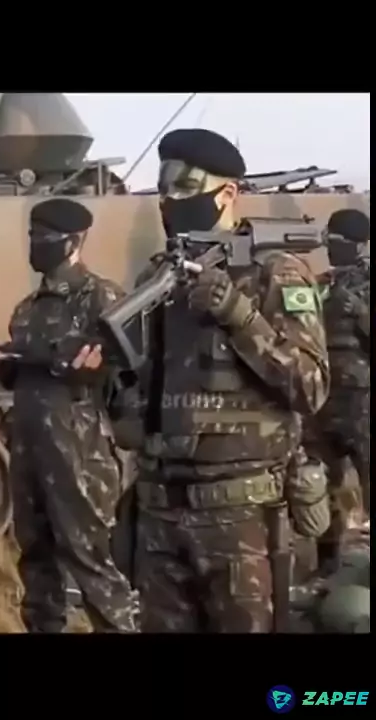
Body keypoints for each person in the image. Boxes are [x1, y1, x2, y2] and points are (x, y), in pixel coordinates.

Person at [104, 128, 330, 633]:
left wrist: (238, 315)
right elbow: (141, 387)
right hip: (161, 512)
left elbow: (311, 386)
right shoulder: (158, 279)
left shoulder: (275, 274)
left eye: (185, 186)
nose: (169, 199)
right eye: (165, 185)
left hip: (241, 518)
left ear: (227, 193)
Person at [0, 198, 139, 633]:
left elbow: (133, 368)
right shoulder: (27, 308)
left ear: (74, 242)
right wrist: (8, 365)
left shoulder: (102, 298)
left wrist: (98, 368)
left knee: (91, 560)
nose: (35, 245)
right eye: (32, 237)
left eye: (45, 238)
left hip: (80, 455)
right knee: (35, 561)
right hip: (30, 451)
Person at [304, 209, 370, 577]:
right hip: (322, 403)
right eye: (328, 241)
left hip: (362, 404)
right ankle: (327, 568)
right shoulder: (322, 284)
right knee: (319, 489)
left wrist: (359, 311)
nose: (330, 249)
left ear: (360, 245)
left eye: (338, 242)